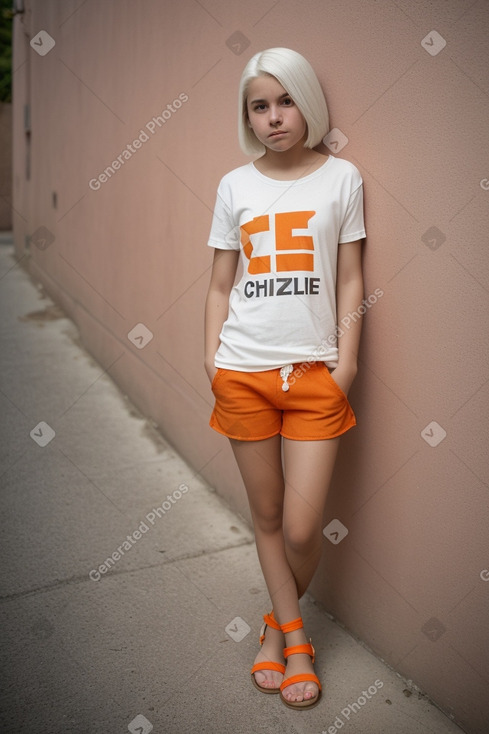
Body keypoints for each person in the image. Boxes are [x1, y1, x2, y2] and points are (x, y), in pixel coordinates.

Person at [204, 47, 366, 709]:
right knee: (265, 516)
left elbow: (352, 277)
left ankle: (272, 622)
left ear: (307, 101)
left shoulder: (342, 178)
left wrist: (346, 361)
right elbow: (219, 282)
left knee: (302, 529)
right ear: (248, 116)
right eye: (259, 106)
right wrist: (210, 359)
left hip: (313, 375)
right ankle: (294, 641)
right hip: (241, 371)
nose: (274, 118)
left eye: (285, 100)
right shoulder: (233, 186)